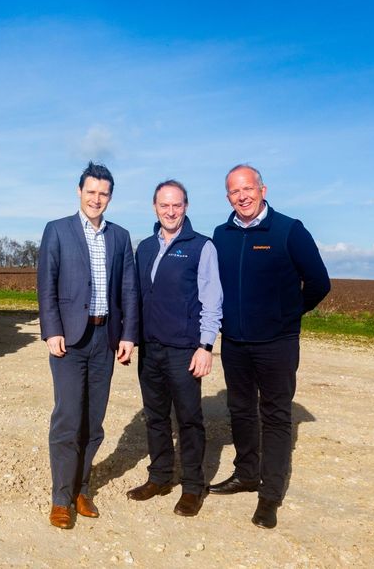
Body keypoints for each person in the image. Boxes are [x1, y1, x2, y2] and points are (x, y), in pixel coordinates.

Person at [209, 164, 331, 529]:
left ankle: (270, 494)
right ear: (228, 197)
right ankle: (246, 474)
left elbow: (319, 283)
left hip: (277, 343)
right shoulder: (221, 234)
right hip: (234, 342)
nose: (242, 196)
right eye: (234, 191)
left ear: (263, 190)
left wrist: (287, 314)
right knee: (241, 410)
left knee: (276, 416)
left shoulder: (289, 230)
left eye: (248, 188)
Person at [38, 161, 138, 529]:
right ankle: (60, 498)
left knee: (94, 422)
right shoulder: (57, 230)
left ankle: (81, 489)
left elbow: (128, 289)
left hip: (105, 338)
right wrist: (52, 330)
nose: (96, 199)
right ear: (79, 191)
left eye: (103, 193)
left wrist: (128, 335)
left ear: (110, 197)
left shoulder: (120, 237)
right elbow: (46, 285)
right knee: (68, 418)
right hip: (69, 340)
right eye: (91, 191)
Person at [126, 180, 222, 517]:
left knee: (189, 419)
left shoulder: (201, 247)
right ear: (155, 207)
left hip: (184, 350)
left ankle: (193, 486)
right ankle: (160, 477)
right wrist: (129, 337)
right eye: (164, 205)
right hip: (150, 349)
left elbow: (212, 301)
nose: (170, 211)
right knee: (155, 416)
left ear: (186, 207)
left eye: (177, 205)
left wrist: (205, 346)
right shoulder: (145, 248)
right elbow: (136, 296)